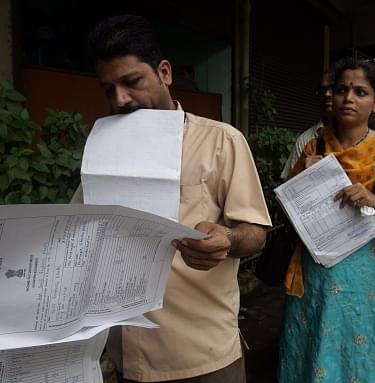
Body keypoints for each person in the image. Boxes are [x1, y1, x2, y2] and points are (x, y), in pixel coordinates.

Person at [75, 15, 272, 383]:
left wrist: (227, 240)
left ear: (164, 72)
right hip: (124, 357)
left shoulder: (221, 141)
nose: (120, 99)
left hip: (203, 356)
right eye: (109, 88)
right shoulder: (103, 148)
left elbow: (256, 233)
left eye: (132, 82)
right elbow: (77, 231)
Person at [278, 58, 375, 383]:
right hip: (316, 271)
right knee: (313, 347)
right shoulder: (313, 145)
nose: (348, 97)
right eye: (342, 89)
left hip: (366, 281)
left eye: (360, 92)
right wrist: (302, 180)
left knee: (358, 352)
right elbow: (287, 211)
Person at [279, 69, 333, 180]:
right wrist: (302, 172)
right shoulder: (306, 140)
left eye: (333, 88)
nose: (327, 94)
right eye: (323, 90)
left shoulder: (371, 141)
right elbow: (285, 191)